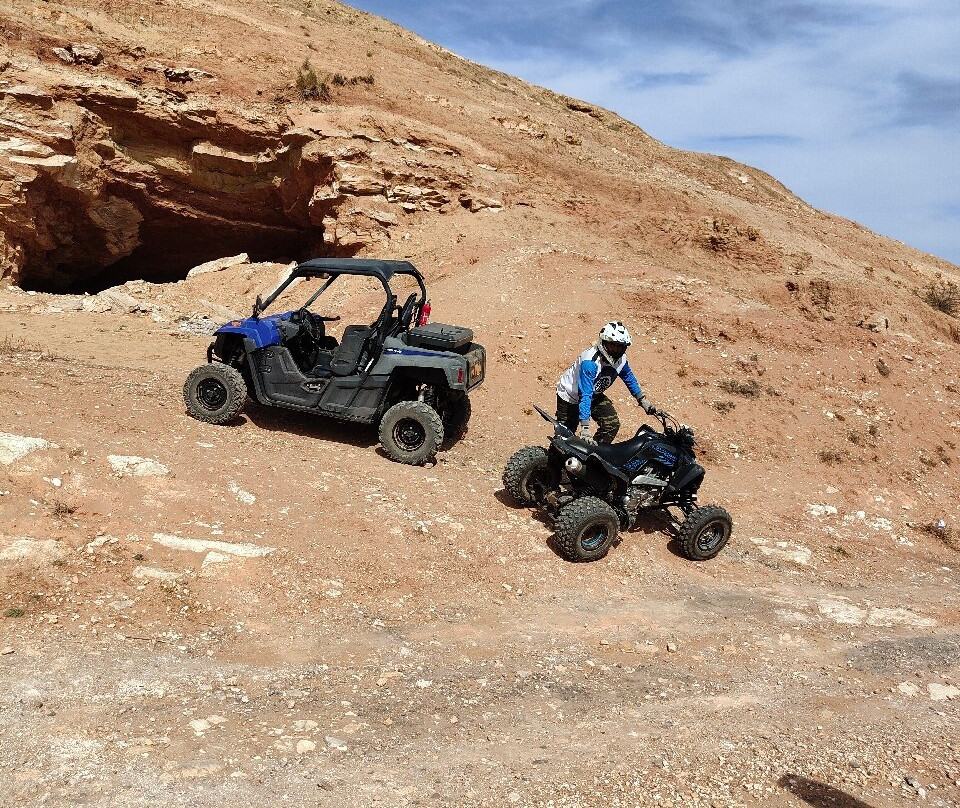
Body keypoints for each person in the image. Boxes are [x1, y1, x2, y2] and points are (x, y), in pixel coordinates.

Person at [555, 321, 658, 443]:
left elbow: (628, 377)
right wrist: (585, 427)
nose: (617, 350)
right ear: (604, 342)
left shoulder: (620, 359)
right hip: (570, 397)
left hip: (594, 395)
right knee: (565, 438)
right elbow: (585, 394)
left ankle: (594, 456)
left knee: (611, 425)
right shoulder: (590, 362)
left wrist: (642, 400)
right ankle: (552, 461)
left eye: (621, 346)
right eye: (614, 345)